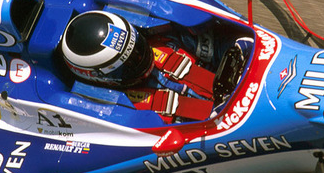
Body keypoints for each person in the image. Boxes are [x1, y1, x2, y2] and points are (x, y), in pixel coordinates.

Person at [60, 10, 216, 122]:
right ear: (97, 77)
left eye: (137, 48)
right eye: (127, 64)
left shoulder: (167, 41)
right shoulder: (125, 111)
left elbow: (225, 45)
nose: (140, 59)